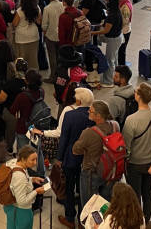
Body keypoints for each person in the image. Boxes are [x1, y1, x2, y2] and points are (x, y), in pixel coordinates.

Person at [122, 83, 151, 222]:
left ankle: (137, 222)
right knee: (147, 192)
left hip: (134, 163)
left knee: (135, 194)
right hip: (150, 161)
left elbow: (126, 145)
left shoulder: (131, 120)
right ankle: (147, 219)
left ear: (138, 96)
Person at [57, 87, 95, 229]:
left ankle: (69, 217)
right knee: (84, 190)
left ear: (78, 101)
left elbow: (64, 139)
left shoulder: (70, 116)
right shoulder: (94, 116)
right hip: (87, 159)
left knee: (69, 188)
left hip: (71, 158)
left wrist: (59, 158)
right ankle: (83, 220)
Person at [72, 100, 119, 205]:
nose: (88, 111)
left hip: (91, 172)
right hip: (111, 171)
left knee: (89, 205)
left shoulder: (90, 132)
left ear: (98, 116)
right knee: (105, 204)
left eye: (91, 111)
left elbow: (75, 150)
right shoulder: (115, 125)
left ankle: (87, 221)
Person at [3, 145, 47, 229]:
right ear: (23, 159)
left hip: (11, 208)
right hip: (21, 211)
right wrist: (36, 191)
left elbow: (16, 183)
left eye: (36, 159)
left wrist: (32, 179)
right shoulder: (20, 176)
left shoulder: (14, 163)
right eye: (32, 160)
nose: (35, 163)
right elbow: (22, 201)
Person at [0, 58, 28, 153]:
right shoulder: (29, 83)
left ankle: (9, 148)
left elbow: (1, 99)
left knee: (10, 133)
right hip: (25, 113)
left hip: (11, 112)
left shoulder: (10, 84)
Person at [90, 0, 124, 88]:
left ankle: (108, 81)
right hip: (118, 37)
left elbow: (106, 31)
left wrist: (93, 33)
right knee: (114, 58)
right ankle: (116, 76)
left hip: (113, 40)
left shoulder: (112, 15)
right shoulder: (117, 11)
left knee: (109, 60)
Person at [12, 0, 41, 70]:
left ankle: (22, 78)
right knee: (33, 59)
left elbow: (14, 24)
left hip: (21, 38)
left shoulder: (20, 11)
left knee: (21, 60)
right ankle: (34, 76)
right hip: (34, 36)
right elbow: (39, 22)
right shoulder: (37, 8)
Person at [41, 0, 64, 83]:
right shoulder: (63, 5)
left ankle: (53, 77)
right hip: (62, 35)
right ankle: (61, 76)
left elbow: (44, 25)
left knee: (52, 57)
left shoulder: (47, 8)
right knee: (60, 57)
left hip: (51, 35)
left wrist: (45, 34)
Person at [116, 0, 132, 66]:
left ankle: (121, 68)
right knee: (120, 51)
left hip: (124, 31)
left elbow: (125, 21)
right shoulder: (124, 2)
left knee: (121, 51)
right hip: (123, 30)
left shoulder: (125, 7)